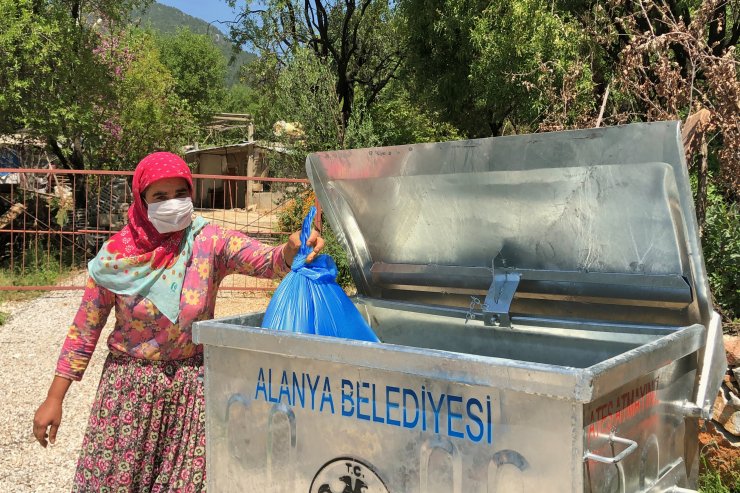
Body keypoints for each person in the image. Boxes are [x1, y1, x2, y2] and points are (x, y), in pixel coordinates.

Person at [32, 152, 324, 492]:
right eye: (160, 196)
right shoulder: (115, 258)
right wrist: (55, 398)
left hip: (193, 389)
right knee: (111, 483)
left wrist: (292, 249)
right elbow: (84, 330)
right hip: (128, 391)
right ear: (141, 202)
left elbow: (267, 261)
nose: (173, 204)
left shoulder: (208, 241)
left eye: (180, 194)